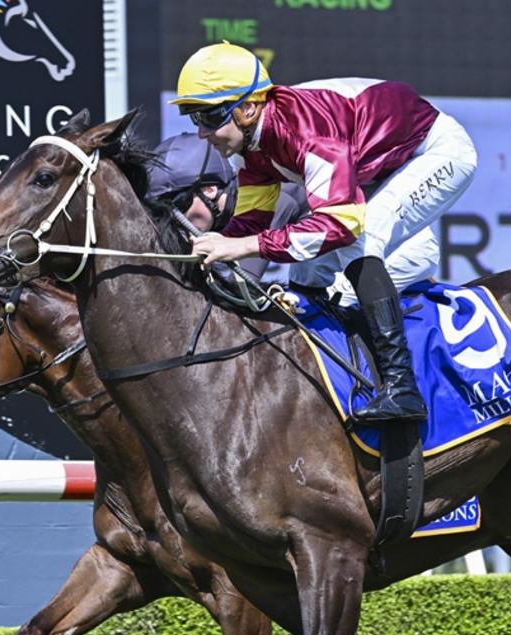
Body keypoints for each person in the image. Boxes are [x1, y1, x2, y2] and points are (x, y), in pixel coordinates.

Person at [172, 41, 477, 424]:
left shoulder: (305, 129)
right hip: (380, 171)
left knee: (360, 240)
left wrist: (241, 245)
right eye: (193, 118)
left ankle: (402, 388)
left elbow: (339, 225)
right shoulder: (254, 147)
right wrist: (206, 250)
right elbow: (251, 225)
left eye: (210, 117)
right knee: (305, 275)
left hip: (436, 152)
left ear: (248, 109)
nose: (202, 133)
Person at [146, 132, 297, 285]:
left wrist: (239, 281)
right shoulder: (219, 210)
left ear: (209, 190)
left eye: (180, 204)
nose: (176, 220)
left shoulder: (250, 195)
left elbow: (284, 204)